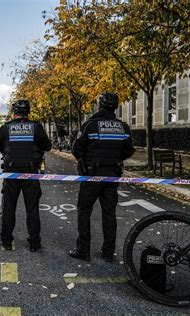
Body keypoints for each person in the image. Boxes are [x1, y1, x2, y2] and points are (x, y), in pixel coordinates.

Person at [69, 92, 135, 262]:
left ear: (99, 106)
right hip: (112, 175)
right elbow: (129, 150)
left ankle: (83, 250)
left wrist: (84, 160)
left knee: (84, 211)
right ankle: (108, 252)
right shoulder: (122, 127)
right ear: (115, 107)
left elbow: (76, 149)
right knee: (109, 214)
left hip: (92, 175)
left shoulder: (90, 125)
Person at [0, 99, 52, 252]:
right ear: (28, 112)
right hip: (31, 174)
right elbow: (48, 146)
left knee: (9, 208)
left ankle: (6, 241)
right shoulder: (36, 127)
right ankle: (34, 243)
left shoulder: (6, 128)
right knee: (32, 209)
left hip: (11, 174)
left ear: (14, 113)